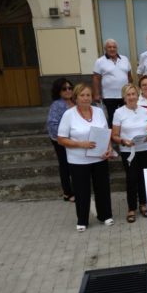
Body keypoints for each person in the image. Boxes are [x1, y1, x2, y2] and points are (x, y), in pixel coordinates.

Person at [57, 83, 114, 232]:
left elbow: (105, 132)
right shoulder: (69, 115)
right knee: (82, 191)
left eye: (88, 95)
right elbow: (61, 139)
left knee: (102, 188)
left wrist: (109, 148)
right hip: (78, 160)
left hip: (99, 158)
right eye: (82, 95)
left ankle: (105, 215)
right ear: (75, 97)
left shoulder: (99, 111)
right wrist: (81, 144)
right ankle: (82, 220)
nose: (86, 98)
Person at [112, 84, 147, 222]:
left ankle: (143, 204)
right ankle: (131, 208)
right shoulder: (119, 113)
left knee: (143, 177)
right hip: (128, 150)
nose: (131, 97)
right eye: (128, 95)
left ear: (138, 95)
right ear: (124, 97)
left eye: (133, 94)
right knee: (131, 178)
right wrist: (124, 141)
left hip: (145, 148)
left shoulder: (144, 111)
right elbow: (115, 136)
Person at [92, 38, 133, 126]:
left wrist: (131, 90)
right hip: (109, 96)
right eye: (109, 47)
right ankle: (114, 137)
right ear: (105, 49)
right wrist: (96, 94)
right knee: (113, 119)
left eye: (114, 47)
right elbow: (96, 78)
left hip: (124, 95)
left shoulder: (125, 59)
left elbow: (129, 76)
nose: (112, 49)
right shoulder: (99, 61)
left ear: (117, 48)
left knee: (126, 117)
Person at [46, 78, 75, 202]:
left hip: (74, 140)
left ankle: (75, 189)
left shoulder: (75, 102)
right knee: (65, 165)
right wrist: (63, 137)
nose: (68, 91)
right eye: (64, 89)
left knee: (73, 165)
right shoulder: (57, 105)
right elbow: (52, 124)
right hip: (61, 140)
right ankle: (67, 193)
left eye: (70, 88)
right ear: (58, 91)